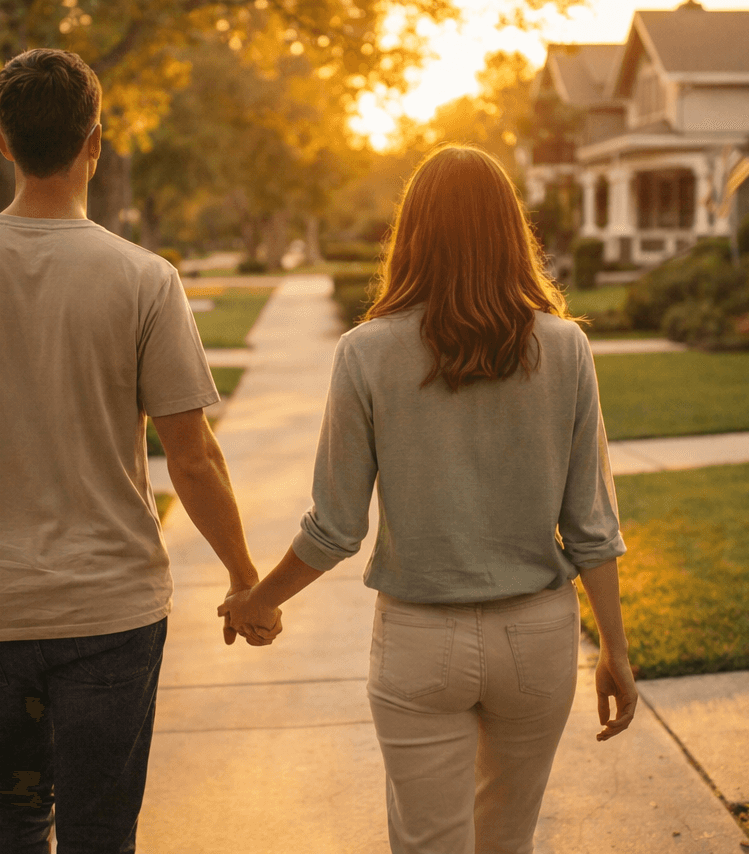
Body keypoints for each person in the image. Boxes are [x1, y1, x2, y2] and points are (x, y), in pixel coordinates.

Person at [0, 48, 277, 854]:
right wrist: (242, 575)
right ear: (97, 141)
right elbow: (192, 458)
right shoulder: (144, 279)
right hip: (111, 610)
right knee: (100, 831)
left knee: (12, 813)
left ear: (3, 141)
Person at [221, 144, 637, 854]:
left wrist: (262, 598)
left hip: (420, 641)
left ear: (410, 234)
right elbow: (591, 527)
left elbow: (335, 527)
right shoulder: (566, 349)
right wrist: (616, 653)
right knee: (507, 841)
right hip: (536, 637)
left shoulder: (367, 352)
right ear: (512, 233)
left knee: (427, 845)